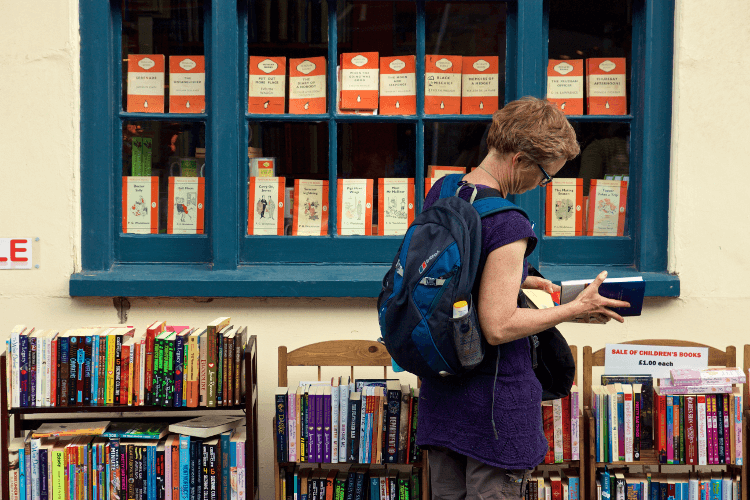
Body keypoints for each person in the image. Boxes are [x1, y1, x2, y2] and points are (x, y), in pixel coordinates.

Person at [416, 97, 630, 500]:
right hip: (494, 407)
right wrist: (574, 308)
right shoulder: (508, 223)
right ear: (518, 160)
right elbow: (499, 326)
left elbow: (454, 271)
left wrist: (524, 278)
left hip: (443, 390)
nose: (541, 185)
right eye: (545, 176)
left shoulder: (444, 191)